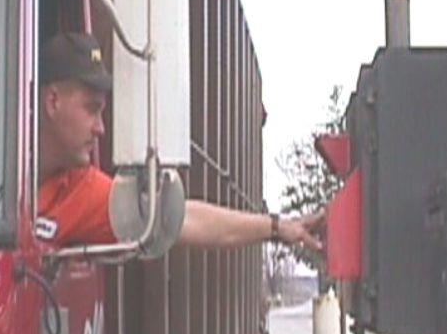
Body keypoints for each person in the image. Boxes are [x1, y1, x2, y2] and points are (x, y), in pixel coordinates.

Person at [37, 32, 324, 251]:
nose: (100, 128)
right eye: (91, 109)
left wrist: (276, 227)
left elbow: (180, 218)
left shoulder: (81, 191)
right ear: (52, 101)